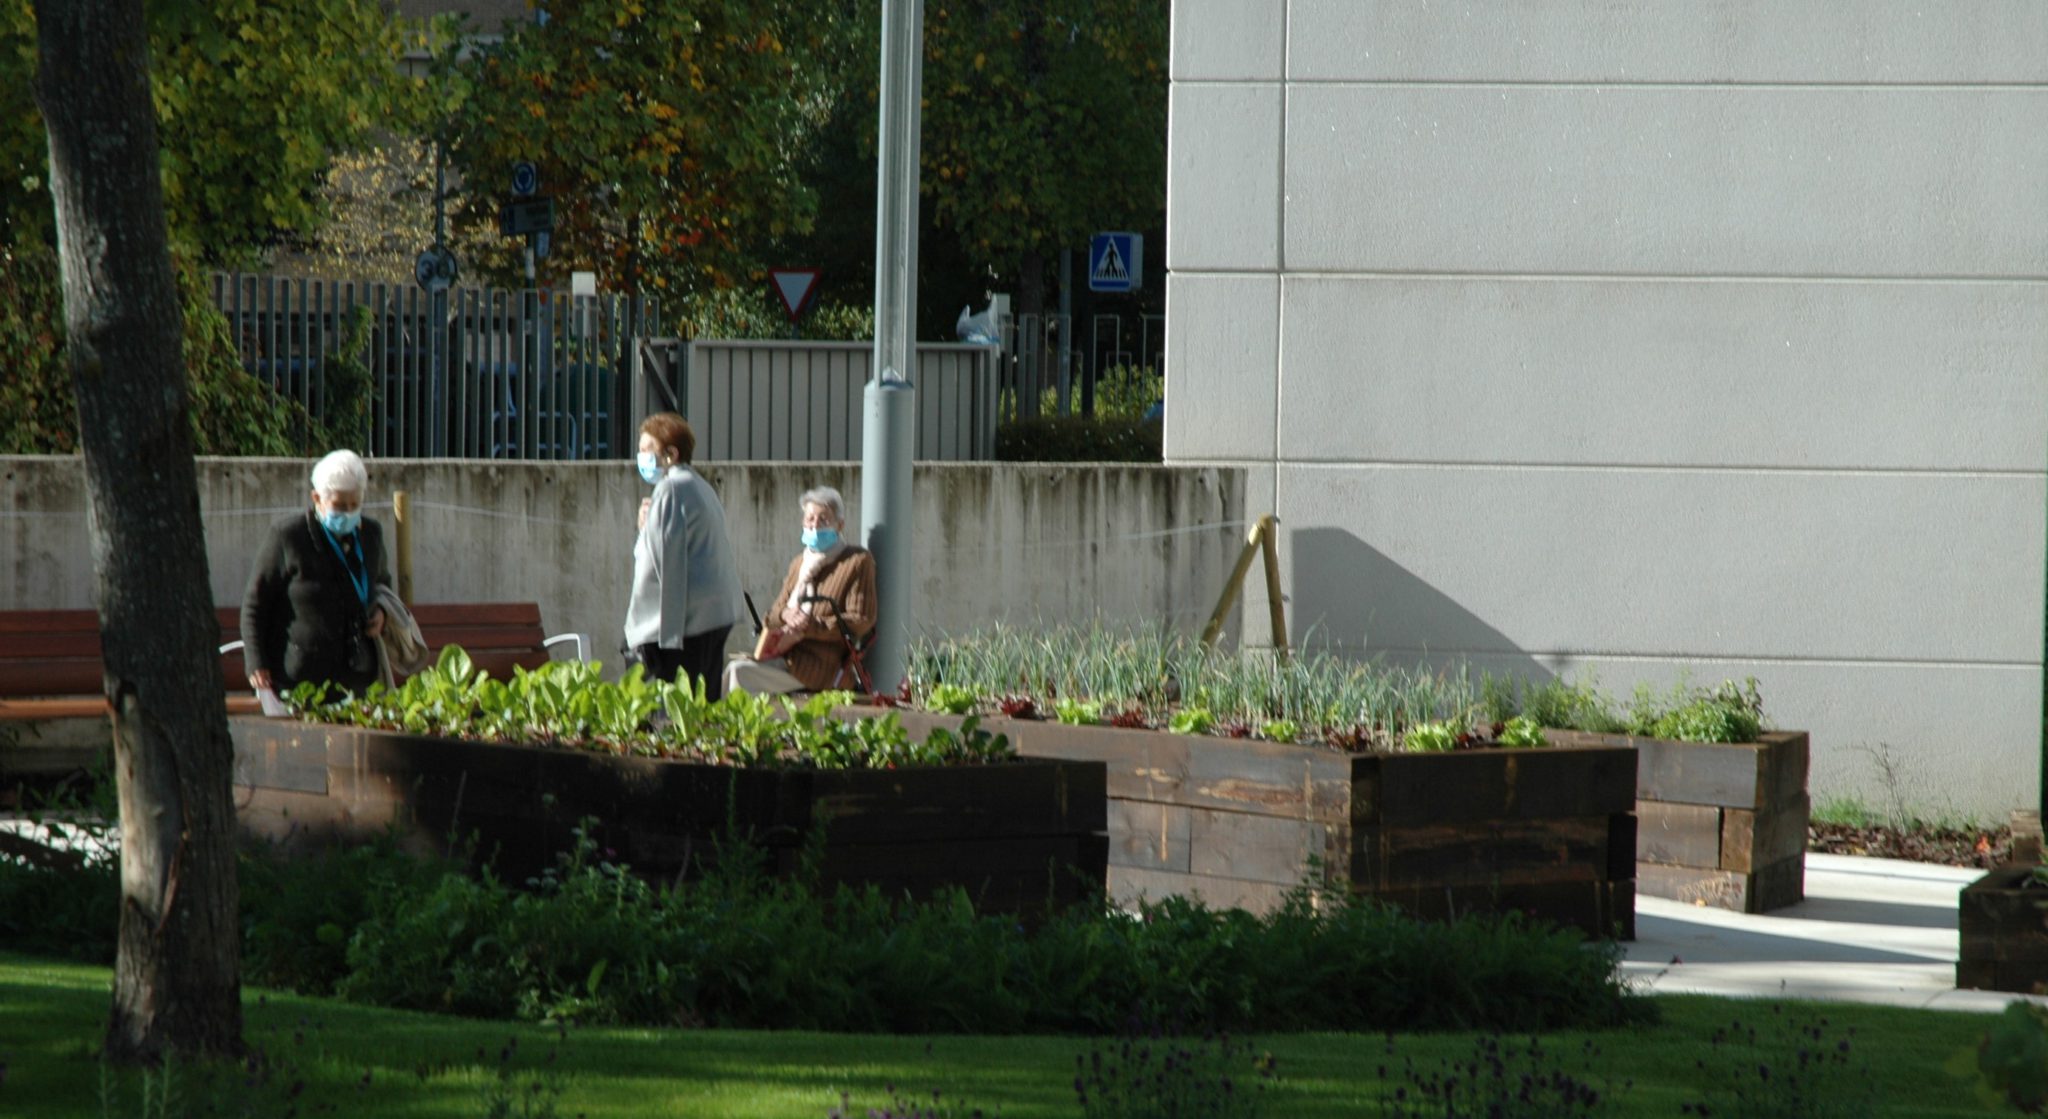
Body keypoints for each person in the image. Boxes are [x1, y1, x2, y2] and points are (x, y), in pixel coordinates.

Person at [241, 449, 391, 700]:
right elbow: (255, 603)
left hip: (358, 676)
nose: (348, 513)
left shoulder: (371, 534)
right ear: (317, 498)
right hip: (300, 678)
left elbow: (382, 583)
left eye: (355, 505)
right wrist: (256, 661)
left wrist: (382, 611)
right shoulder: (287, 535)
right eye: (339, 505)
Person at [625, 412, 743, 696]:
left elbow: (664, 564)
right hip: (713, 614)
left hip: (687, 622)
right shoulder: (699, 486)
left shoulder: (671, 490)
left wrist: (664, 636)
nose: (640, 457)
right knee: (705, 701)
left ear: (670, 454)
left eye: (646, 450)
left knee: (680, 708)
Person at [723, 486, 877, 697]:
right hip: (785, 655)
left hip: (819, 664)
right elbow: (772, 615)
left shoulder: (856, 561)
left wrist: (809, 626)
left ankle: (737, 729)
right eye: (810, 519)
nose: (815, 526)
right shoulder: (799, 563)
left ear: (840, 525)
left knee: (739, 674)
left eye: (823, 519)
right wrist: (786, 614)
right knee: (733, 669)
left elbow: (861, 619)